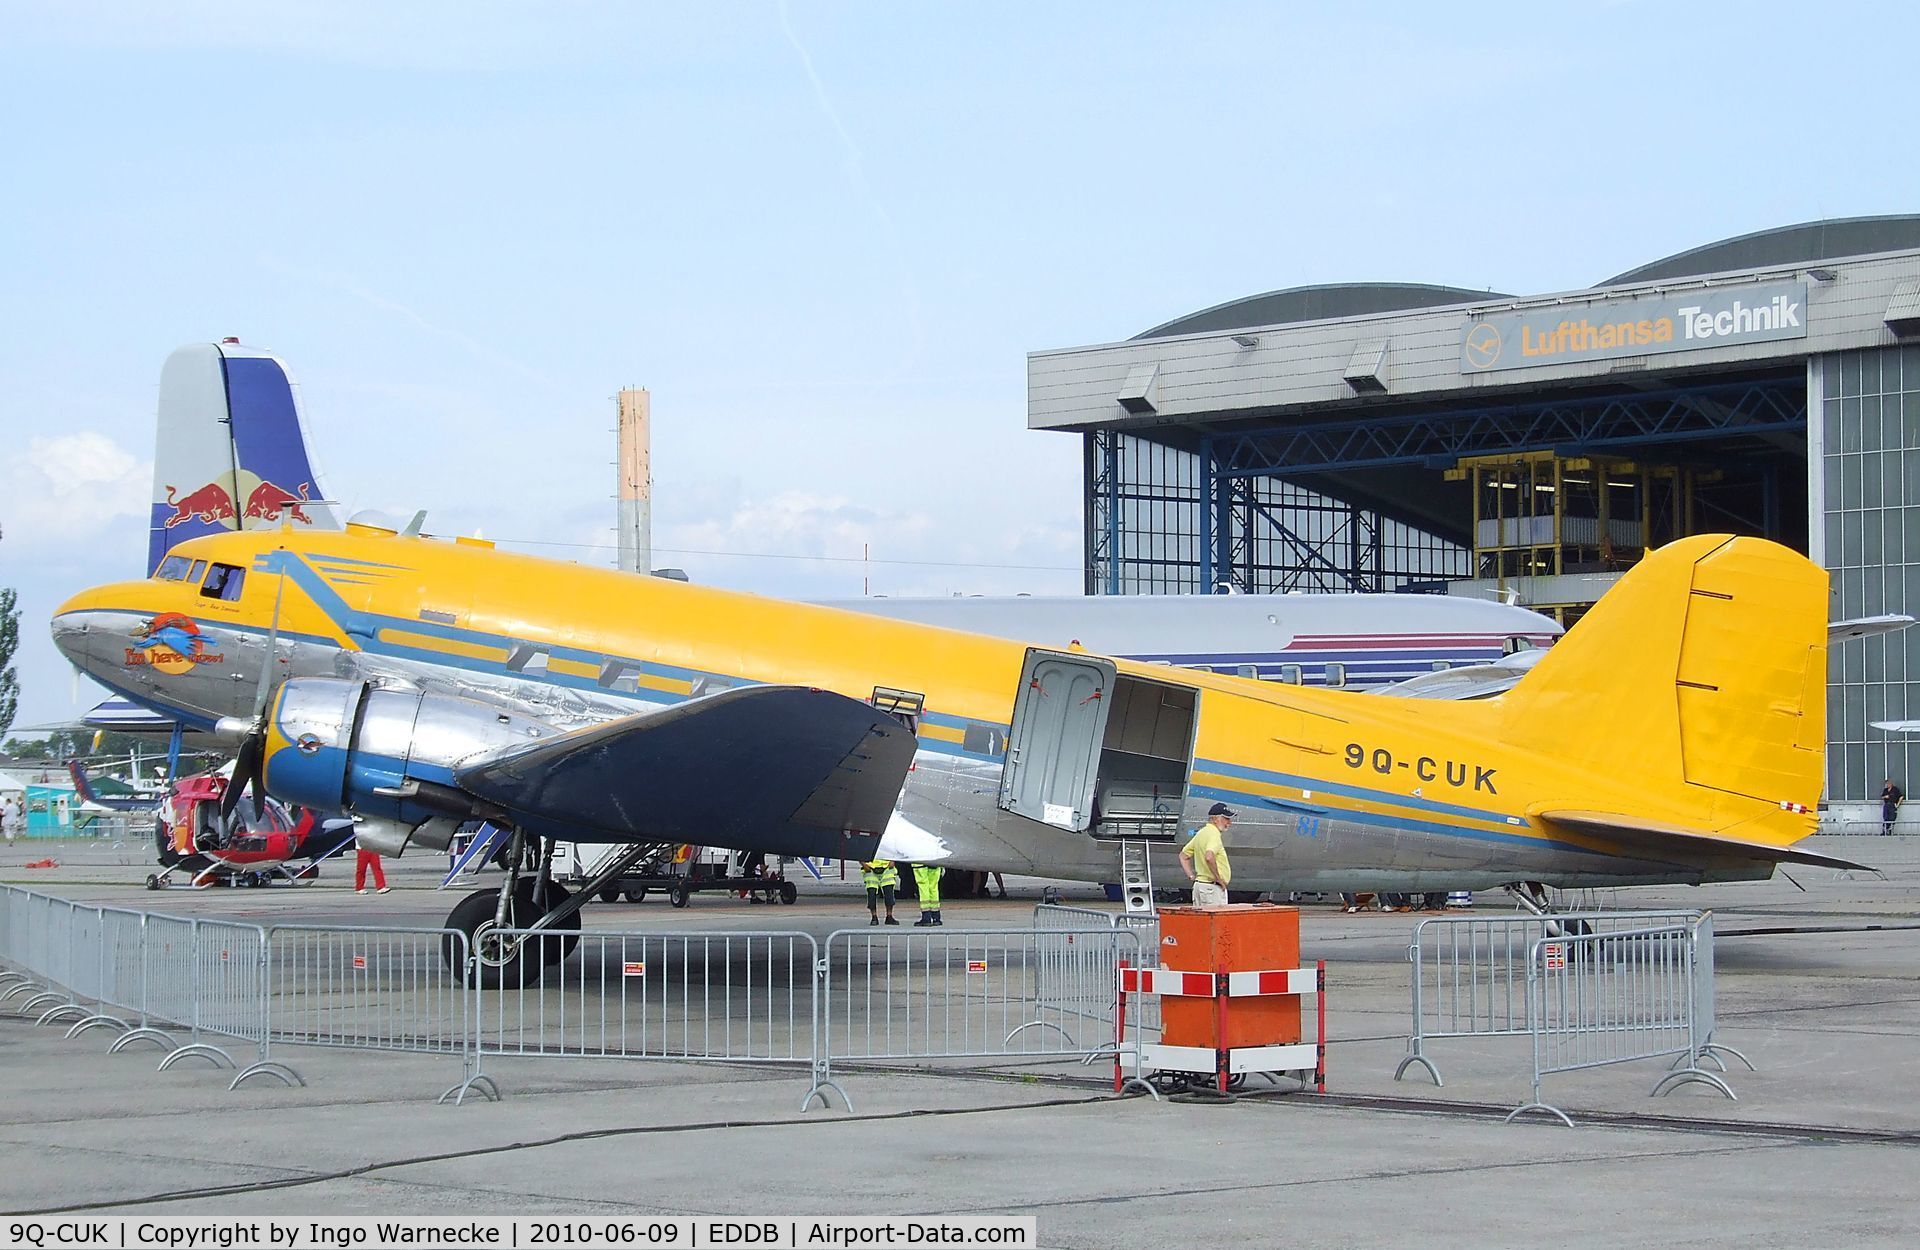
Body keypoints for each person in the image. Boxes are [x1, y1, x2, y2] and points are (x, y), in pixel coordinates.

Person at [1179, 802, 1233, 907]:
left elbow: (1183, 856)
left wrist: (1191, 876)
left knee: (1200, 922)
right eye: (1226, 819)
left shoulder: (1202, 832)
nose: (1229, 823)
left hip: (1199, 886)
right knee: (1217, 922)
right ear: (1215, 819)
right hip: (1212, 889)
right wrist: (1219, 879)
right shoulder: (1214, 834)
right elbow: (1209, 856)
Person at [861, 858, 900, 926]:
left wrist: (892, 860)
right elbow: (859, 851)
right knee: (871, 893)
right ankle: (874, 917)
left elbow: (893, 848)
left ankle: (889, 916)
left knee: (889, 893)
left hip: (887, 867)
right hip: (869, 867)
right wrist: (863, 863)